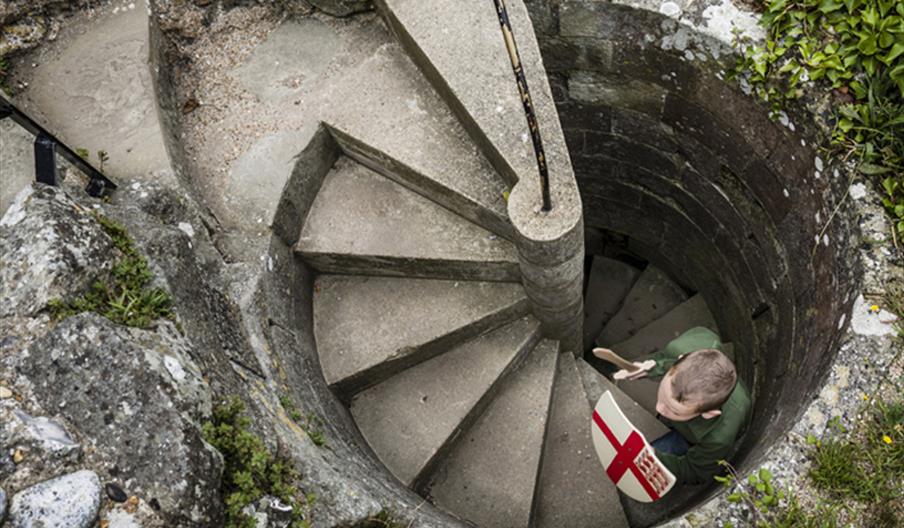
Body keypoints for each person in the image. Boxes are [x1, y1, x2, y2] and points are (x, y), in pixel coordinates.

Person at [594, 326, 751, 485]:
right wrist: (652, 367)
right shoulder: (685, 347)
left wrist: (653, 456)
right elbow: (667, 361)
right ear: (680, 358)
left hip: (695, 437)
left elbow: (696, 472)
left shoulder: (719, 437)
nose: (659, 409)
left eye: (675, 411)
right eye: (662, 395)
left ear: (709, 413)